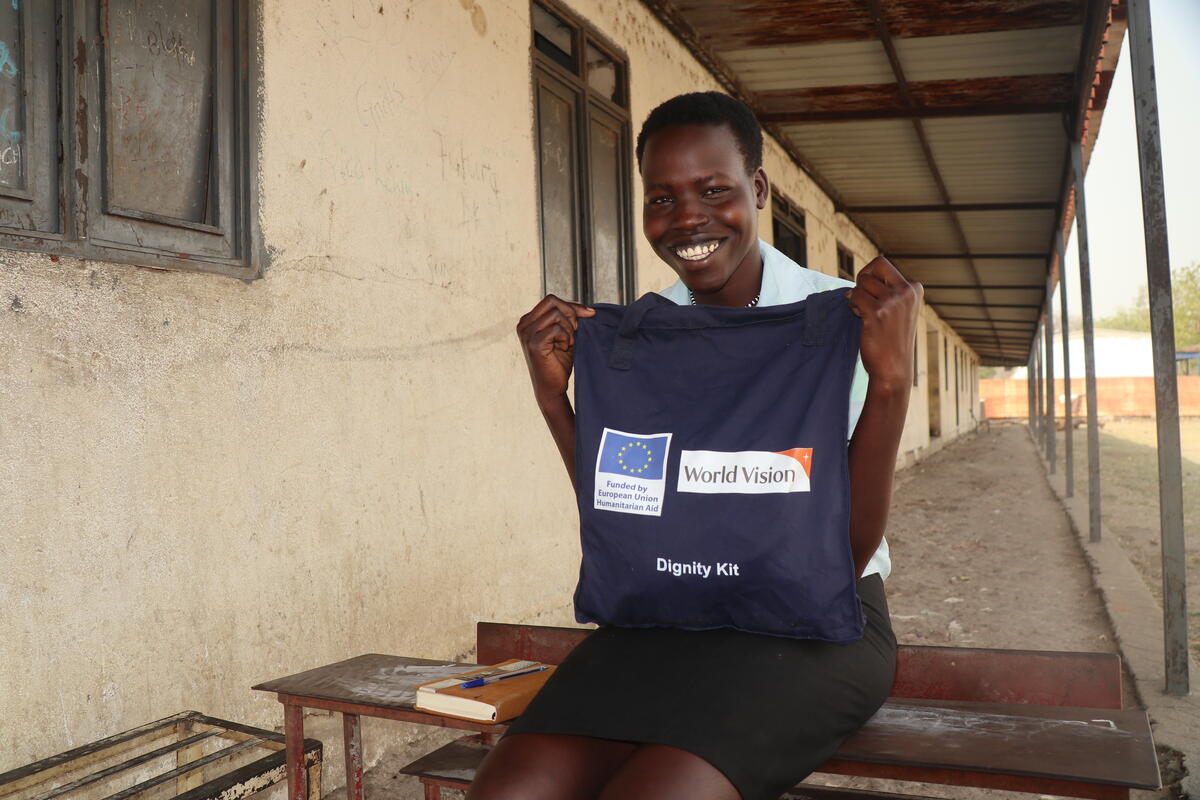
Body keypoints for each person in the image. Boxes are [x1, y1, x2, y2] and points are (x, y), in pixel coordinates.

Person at [470, 92, 922, 800]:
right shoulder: (643, 339)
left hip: (818, 621)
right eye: (662, 198)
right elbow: (626, 510)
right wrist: (555, 401)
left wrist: (891, 385)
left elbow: (847, 556)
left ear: (759, 189)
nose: (687, 219)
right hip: (673, 613)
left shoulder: (844, 322)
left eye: (714, 190)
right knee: (509, 791)